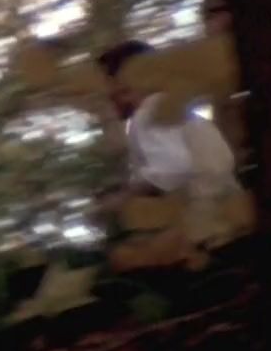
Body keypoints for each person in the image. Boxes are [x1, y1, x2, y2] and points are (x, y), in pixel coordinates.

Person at [96, 40, 241, 249]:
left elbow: (173, 169)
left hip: (208, 233)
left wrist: (122, 199)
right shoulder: (177, 111)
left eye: (108, 83)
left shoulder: (147, 114)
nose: (106, 94)